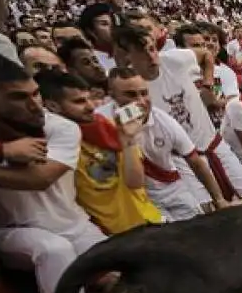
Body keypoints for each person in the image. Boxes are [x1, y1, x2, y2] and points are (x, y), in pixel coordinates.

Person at [0, 54, 106, 293]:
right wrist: (2, 151)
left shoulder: (61, 127)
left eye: (35, 93)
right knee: (52, 249)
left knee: (121, 272)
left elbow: (40, 179)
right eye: (18, 97)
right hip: (10, 230)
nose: (34, 104)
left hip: (74, 225)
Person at [112, 24, 242, 208]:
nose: (151, 56)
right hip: (179, 156)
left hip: (211, 140)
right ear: (128, 56)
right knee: (207, 210)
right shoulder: (131, 88)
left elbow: (206, 54)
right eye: (142, 52)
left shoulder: (175, 59)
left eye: (152, 49)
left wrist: (207, 84)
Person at [36, 70, 162, 234]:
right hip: (111, 237)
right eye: (79, 101)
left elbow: (135, 182)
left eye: (89, 98)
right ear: (53, 106)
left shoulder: (110, 127)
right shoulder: (55, 149)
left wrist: (128, 140)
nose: (90, 106)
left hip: (150, 222)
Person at [99, 67, 223, 221]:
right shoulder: (102, 123)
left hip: (172, 188)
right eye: (130, 95)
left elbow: (196, 162)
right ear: (112, 96)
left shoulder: (163, 122)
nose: (140, 101)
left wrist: (219, 200)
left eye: (144, 93)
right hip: (136, 198)